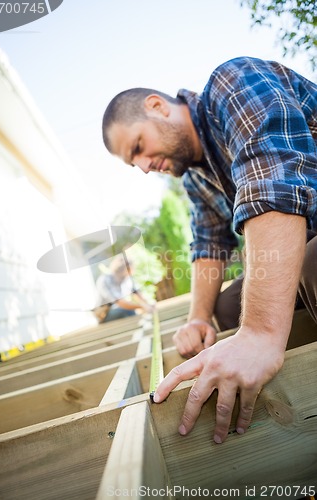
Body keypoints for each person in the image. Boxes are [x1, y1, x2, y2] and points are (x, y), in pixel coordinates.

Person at [101, 56, 317, 444]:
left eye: (139, 147)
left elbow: (275, 180)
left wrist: (262, 333)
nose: (145, 167)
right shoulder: (197, 180)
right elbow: (209, 245)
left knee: (313, 265)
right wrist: (199, 318)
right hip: (305, 242)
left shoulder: (231, 83)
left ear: (157, 106)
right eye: (134, 164)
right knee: (226, 308)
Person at [93, 254, 154, 323]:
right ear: (124, 269)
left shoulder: (125, 279)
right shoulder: (105, 280)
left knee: (128, 312)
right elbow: (120, 303)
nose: (131, 274)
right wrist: (142, 306)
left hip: (117, 310)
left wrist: (148, 304)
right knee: (127, 311)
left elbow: (137, 292)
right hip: (103, 314)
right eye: (129, 270)